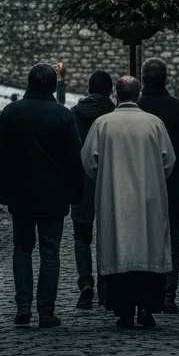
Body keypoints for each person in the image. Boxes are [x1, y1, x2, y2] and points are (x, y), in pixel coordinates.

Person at [0, 62, 84, 329]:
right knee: (50, 253)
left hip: (20, 194)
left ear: (29, 83)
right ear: (53, 86)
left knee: (21, 250)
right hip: (54, 196)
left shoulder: (11, 113)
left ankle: (23, 305)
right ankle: (45, 311)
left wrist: (2, 191)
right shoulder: (63, 116)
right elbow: (73, 161)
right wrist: (76, 194)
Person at [82, 75, 175, 329]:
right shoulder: (154, 124)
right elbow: (169, 161)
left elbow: (89, 162)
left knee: (119, 250)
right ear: (139, 96)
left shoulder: (103, 124)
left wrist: (107, 179)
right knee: (147, 250)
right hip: (149, 200)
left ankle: (124, 311)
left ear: (116, 96)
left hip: (115, 200)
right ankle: (146, 308)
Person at [138, 58, 179, 314]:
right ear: (166, 78)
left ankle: (143, 292)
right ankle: (168, 294)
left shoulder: (136, 108)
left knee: (141, 239)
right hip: (171, 185)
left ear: (142, 78)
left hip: (140, 185)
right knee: (171, 240)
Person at [68, 70, 115, 309]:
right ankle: (107, 287)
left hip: (82, 181)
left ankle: (86, 281)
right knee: (109, 236)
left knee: (81, 237)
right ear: (110, 91)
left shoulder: (75, 114)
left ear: (88, 89)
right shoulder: (115, 115)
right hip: (110, 181)